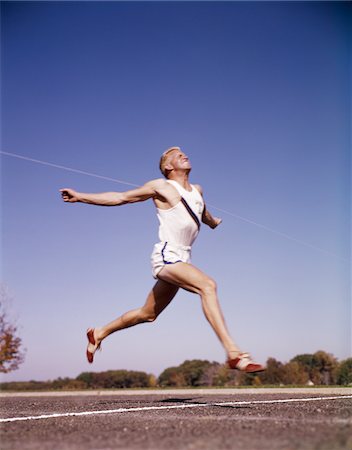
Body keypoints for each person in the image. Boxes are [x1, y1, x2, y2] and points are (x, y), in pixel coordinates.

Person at [60, 147, 264, 373]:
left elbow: (201, 212)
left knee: (148, 314)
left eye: (184, 153)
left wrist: (213, 221)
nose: (184, 155)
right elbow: (120, 197)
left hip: (182, 259)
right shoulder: (162, 186)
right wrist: (81, 197)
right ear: (168, 167)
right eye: (177, 155)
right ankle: (234, 354)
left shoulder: (197, 190)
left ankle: (98, 333)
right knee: (208, 285)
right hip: (167, 256)